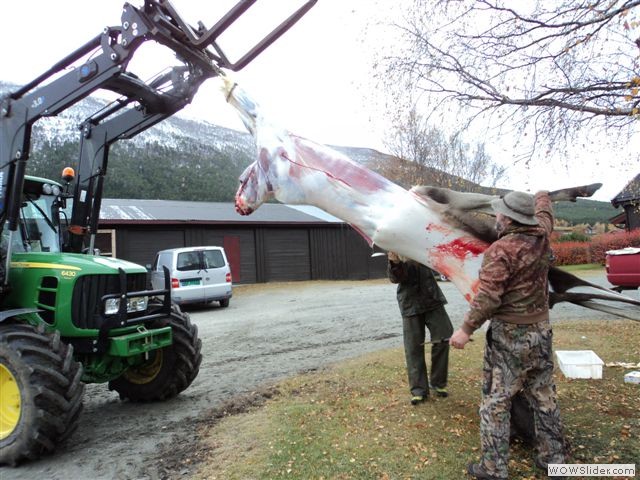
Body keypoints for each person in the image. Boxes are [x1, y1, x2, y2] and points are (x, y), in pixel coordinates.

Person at [449, 190, 566, 480]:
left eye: (499, 213)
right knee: (543, 396)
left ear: (507, 218)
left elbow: (488, 297)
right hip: (540, 331)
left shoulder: (501, 251)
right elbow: (546, 215)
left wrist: (465, 330)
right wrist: (542, 197)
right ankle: (555, 461)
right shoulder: (542, 236)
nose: (496, 217)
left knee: (496, 401)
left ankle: (493, 468)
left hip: (509, 337)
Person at [387, 251, 453, 405]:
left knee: (444, 335)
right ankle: (418, 390)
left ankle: (438, 383)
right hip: (410, 303)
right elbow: (395, 278)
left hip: (432, 298)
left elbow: (437, 261)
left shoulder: (418, 240)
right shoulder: (395, 246)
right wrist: (395, 263)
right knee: (413, 347)